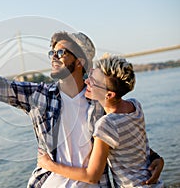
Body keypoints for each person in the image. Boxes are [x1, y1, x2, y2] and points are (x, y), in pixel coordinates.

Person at [0, 16, 164, 187]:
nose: (53, 56)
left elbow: (125, 136)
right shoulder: (39, 96)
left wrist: (155, 159)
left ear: (80, 61)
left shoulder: (100, 100)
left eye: (61, 52)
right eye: (52, 52)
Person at [37, 55, 164, 187]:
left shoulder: (106, 125)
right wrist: (157, 158)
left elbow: (92, 176)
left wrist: (50, 165)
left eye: (93, 81)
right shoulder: (135, 106)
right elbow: (135, 143)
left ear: (109, 95)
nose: (87, 82)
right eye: (90, 75)